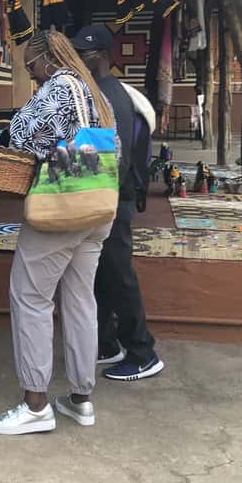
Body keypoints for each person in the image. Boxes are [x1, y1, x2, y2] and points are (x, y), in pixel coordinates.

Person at [0, 29, 116, 436]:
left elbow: (20, 136)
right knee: (80, 301)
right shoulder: (95, 91)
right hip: (98, 204)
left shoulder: (59, 86)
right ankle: (81, 399)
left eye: (30, 66)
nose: (31, 75)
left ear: (47, 60)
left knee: (30, 298)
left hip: (63, 208)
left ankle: (36, 406)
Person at [72, 24, 164, 381]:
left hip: (113, 197)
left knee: (120, 275)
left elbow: (118, 158)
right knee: (102, 273)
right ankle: (106, 344)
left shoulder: (111, 96)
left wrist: (92, 192)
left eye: (83, 53)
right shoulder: (97, 92)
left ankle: (143, 353)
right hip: (103, 195)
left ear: (101, 56)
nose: (78, 58)